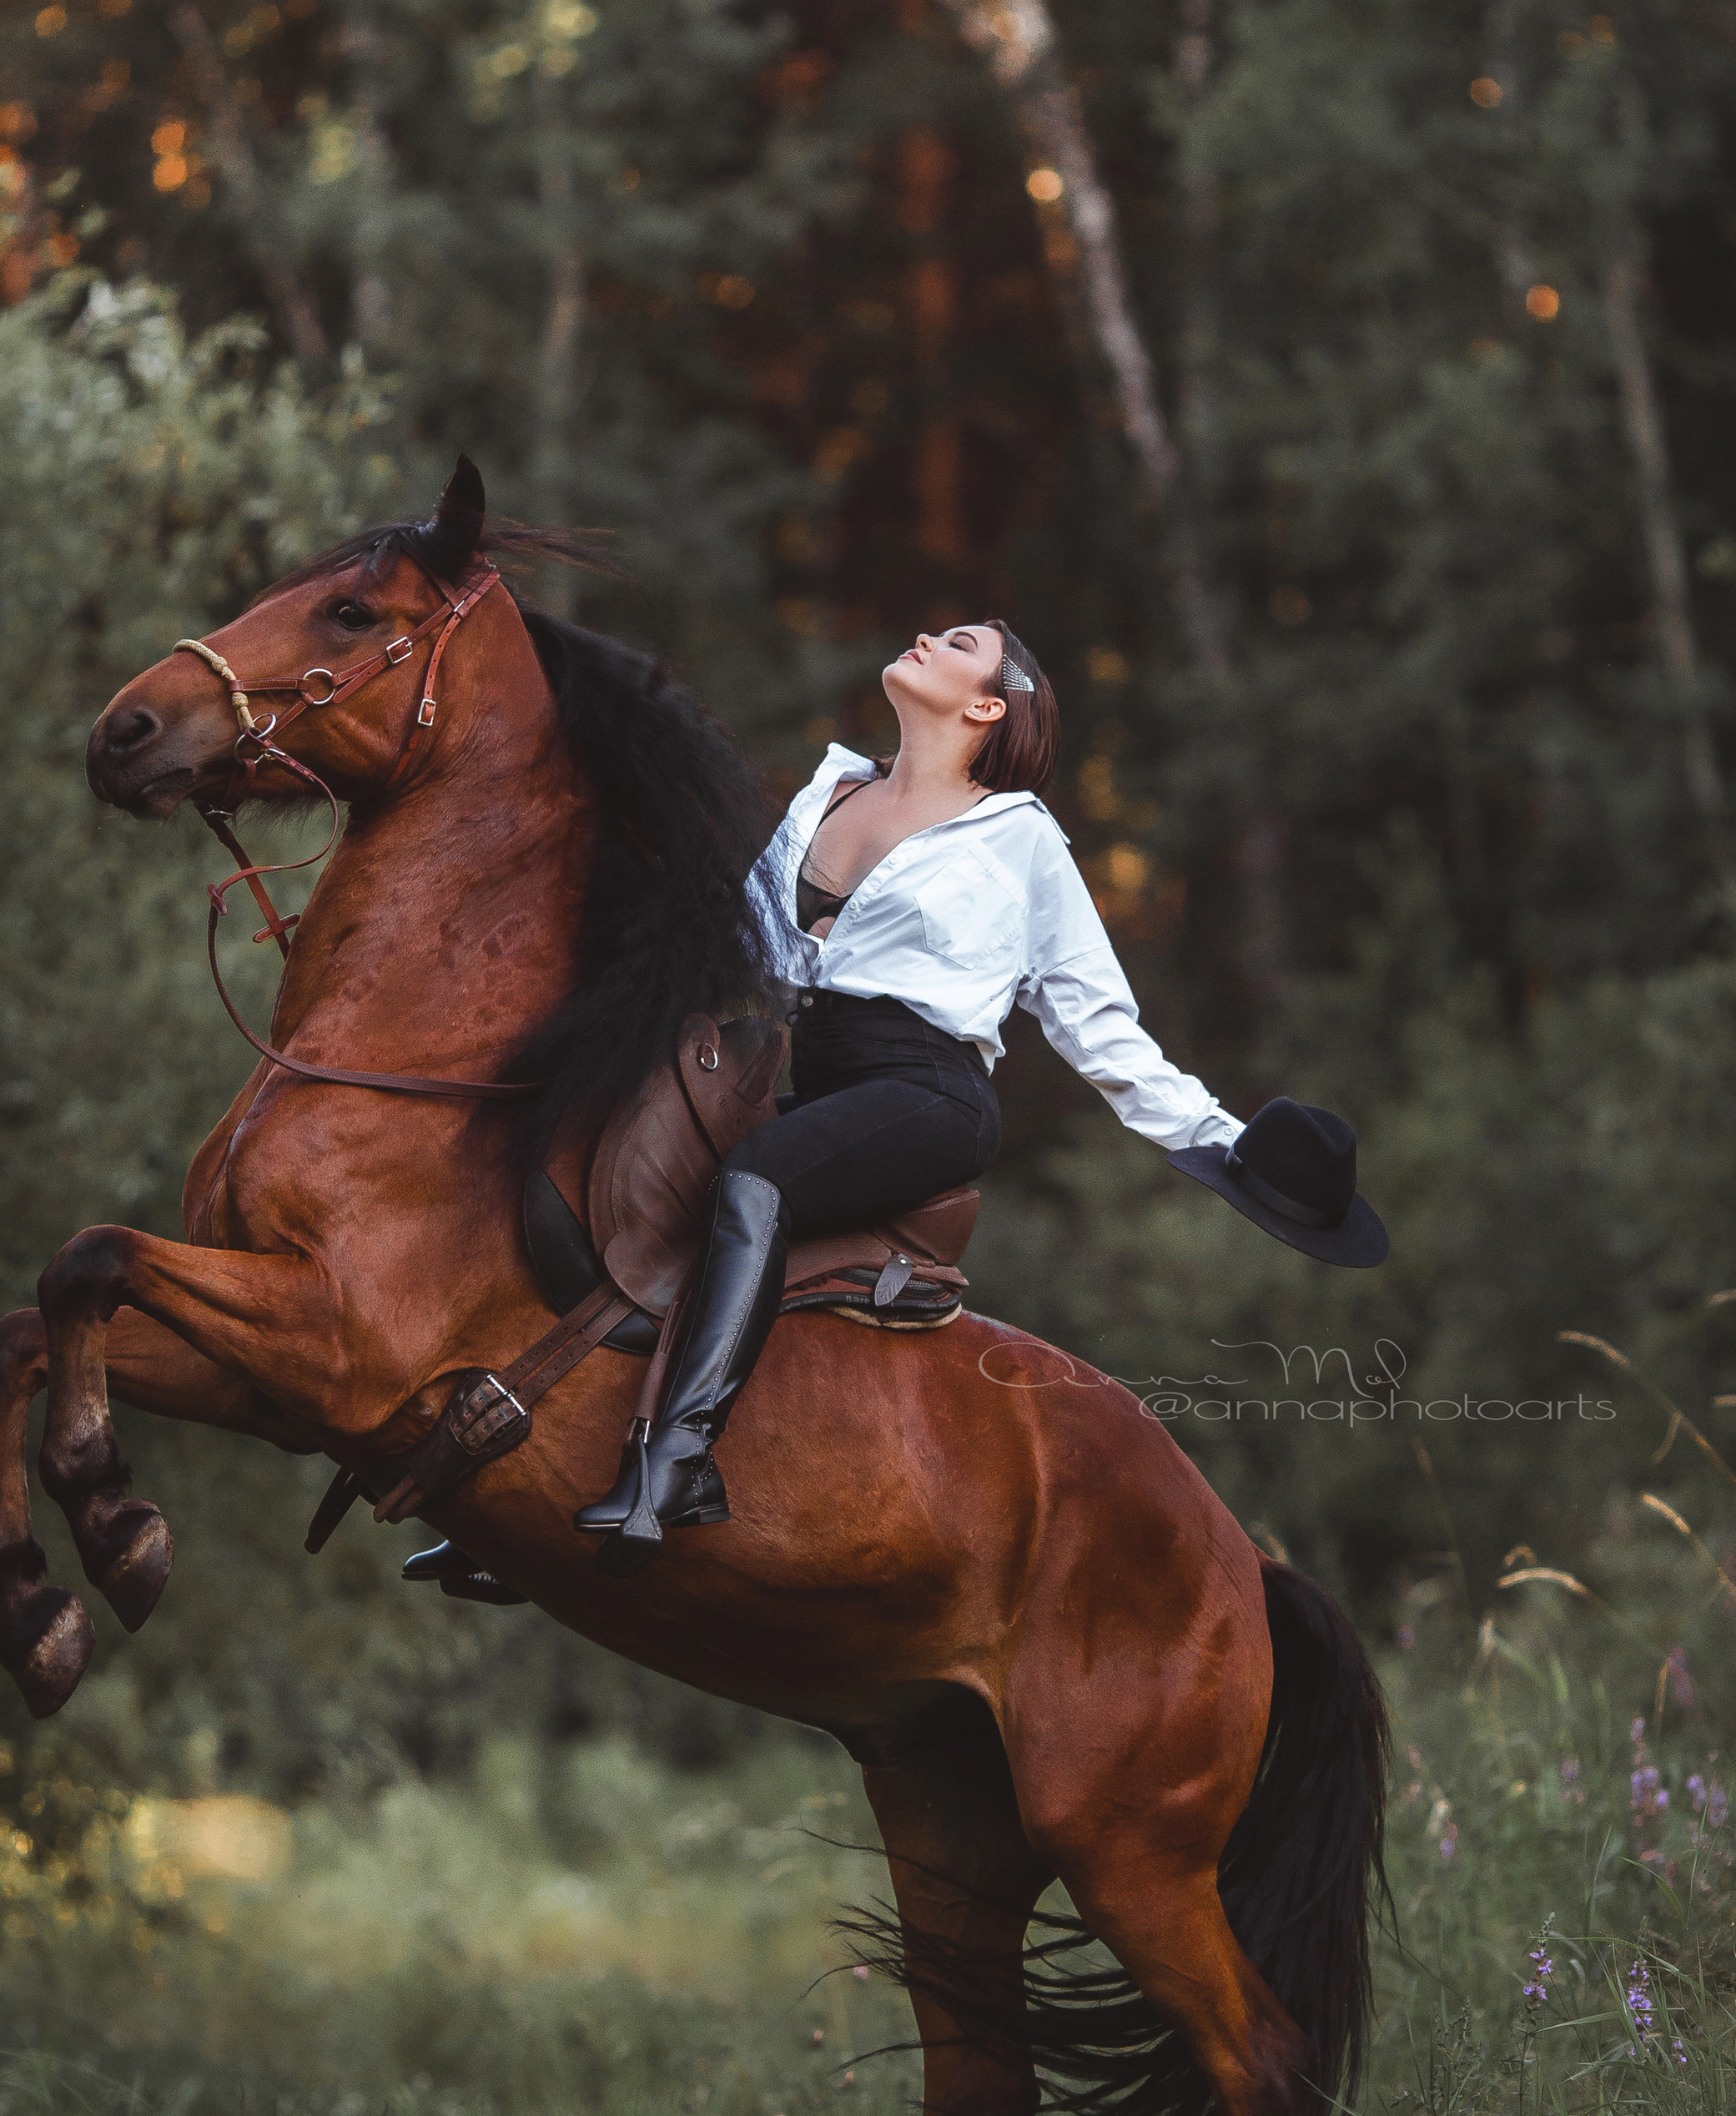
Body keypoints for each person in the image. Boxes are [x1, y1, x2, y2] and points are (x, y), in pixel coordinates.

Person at [576, 619, 1386, 1571]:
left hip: (929, 1093)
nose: (923, 634)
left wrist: (1227, 1145)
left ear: (987, 704)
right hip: (820, 1075)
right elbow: (744, 954)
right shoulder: (829, 791)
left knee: (759, 1180)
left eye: (958, 641)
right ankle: (539, 1456)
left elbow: (1097, 1023)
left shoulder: (1020, 839)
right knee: (630, 1169)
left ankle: (675, 1460)